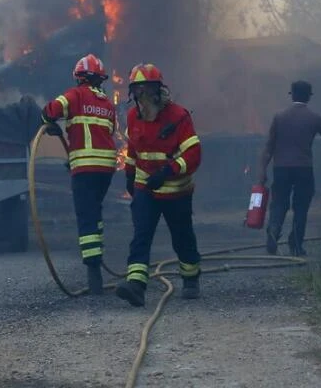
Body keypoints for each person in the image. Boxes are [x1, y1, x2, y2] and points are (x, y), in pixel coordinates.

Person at [115, 63, 202, 307]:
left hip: (176, 191)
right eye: (137, 92)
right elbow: (133, 148)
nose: (142, 97)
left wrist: (168, 171)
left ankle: (191, 278)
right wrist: (130, 175)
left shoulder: (179, 116)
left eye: (146, 91)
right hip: (146, 190)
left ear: (157, 91)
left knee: (182, 237)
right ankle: (136, 286)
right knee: (141, 236)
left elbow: (194, 153)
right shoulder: (133, 116)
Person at [42, 54, 116, 294]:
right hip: (105, 169)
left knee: (86, 217)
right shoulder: (107, 104)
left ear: (80, 77)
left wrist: (48, 121)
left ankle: (94, 274)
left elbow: (52, 109)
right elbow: (105, 133)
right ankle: (99, 256)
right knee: (94, 211)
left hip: (85, 168)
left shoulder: (75, 95)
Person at [257, 80, 321, 257]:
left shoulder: (279, 117)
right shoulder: (313, 118)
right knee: (301, 208)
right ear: (309, 97)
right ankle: (296, 245)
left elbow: (269, 147)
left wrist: (262, 171)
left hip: (281, 169)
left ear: (292, 95)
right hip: (303, 169)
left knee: (279, 203)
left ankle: (274, 230)